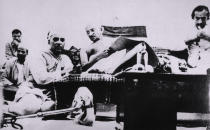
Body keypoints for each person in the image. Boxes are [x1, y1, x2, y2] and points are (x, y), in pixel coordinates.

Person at [81, 24, 158, 74]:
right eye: (87, 32)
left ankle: (114, 69)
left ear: (101, 29)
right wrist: (98, 57)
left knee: (141, 45)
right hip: (97, 70)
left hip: (117, 66)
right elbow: (83, 68)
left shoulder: (110, 42)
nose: (90, 34)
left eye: (92, 30)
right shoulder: (85, 49)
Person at [185, 5, 210, 71]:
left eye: (203, 18)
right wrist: (195, 37)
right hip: (192, 62)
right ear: (193, 17)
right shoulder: (190, 29)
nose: (200, 21)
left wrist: (206, 36)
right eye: (197, 18)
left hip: (207, 61)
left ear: (208, 18)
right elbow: (185, 41)